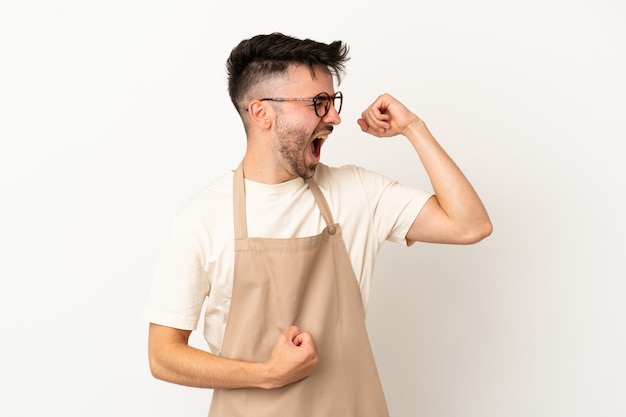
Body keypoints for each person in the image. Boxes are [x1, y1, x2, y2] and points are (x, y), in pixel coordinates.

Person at [141, 32, 492, 417]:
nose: (335, 117)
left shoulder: (356, 192)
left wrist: (414, 128)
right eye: (318, 104)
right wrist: (266, 374)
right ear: (262, 113)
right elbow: (163, 356)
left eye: (333, 101)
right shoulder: (201, 218)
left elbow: (469, 225)